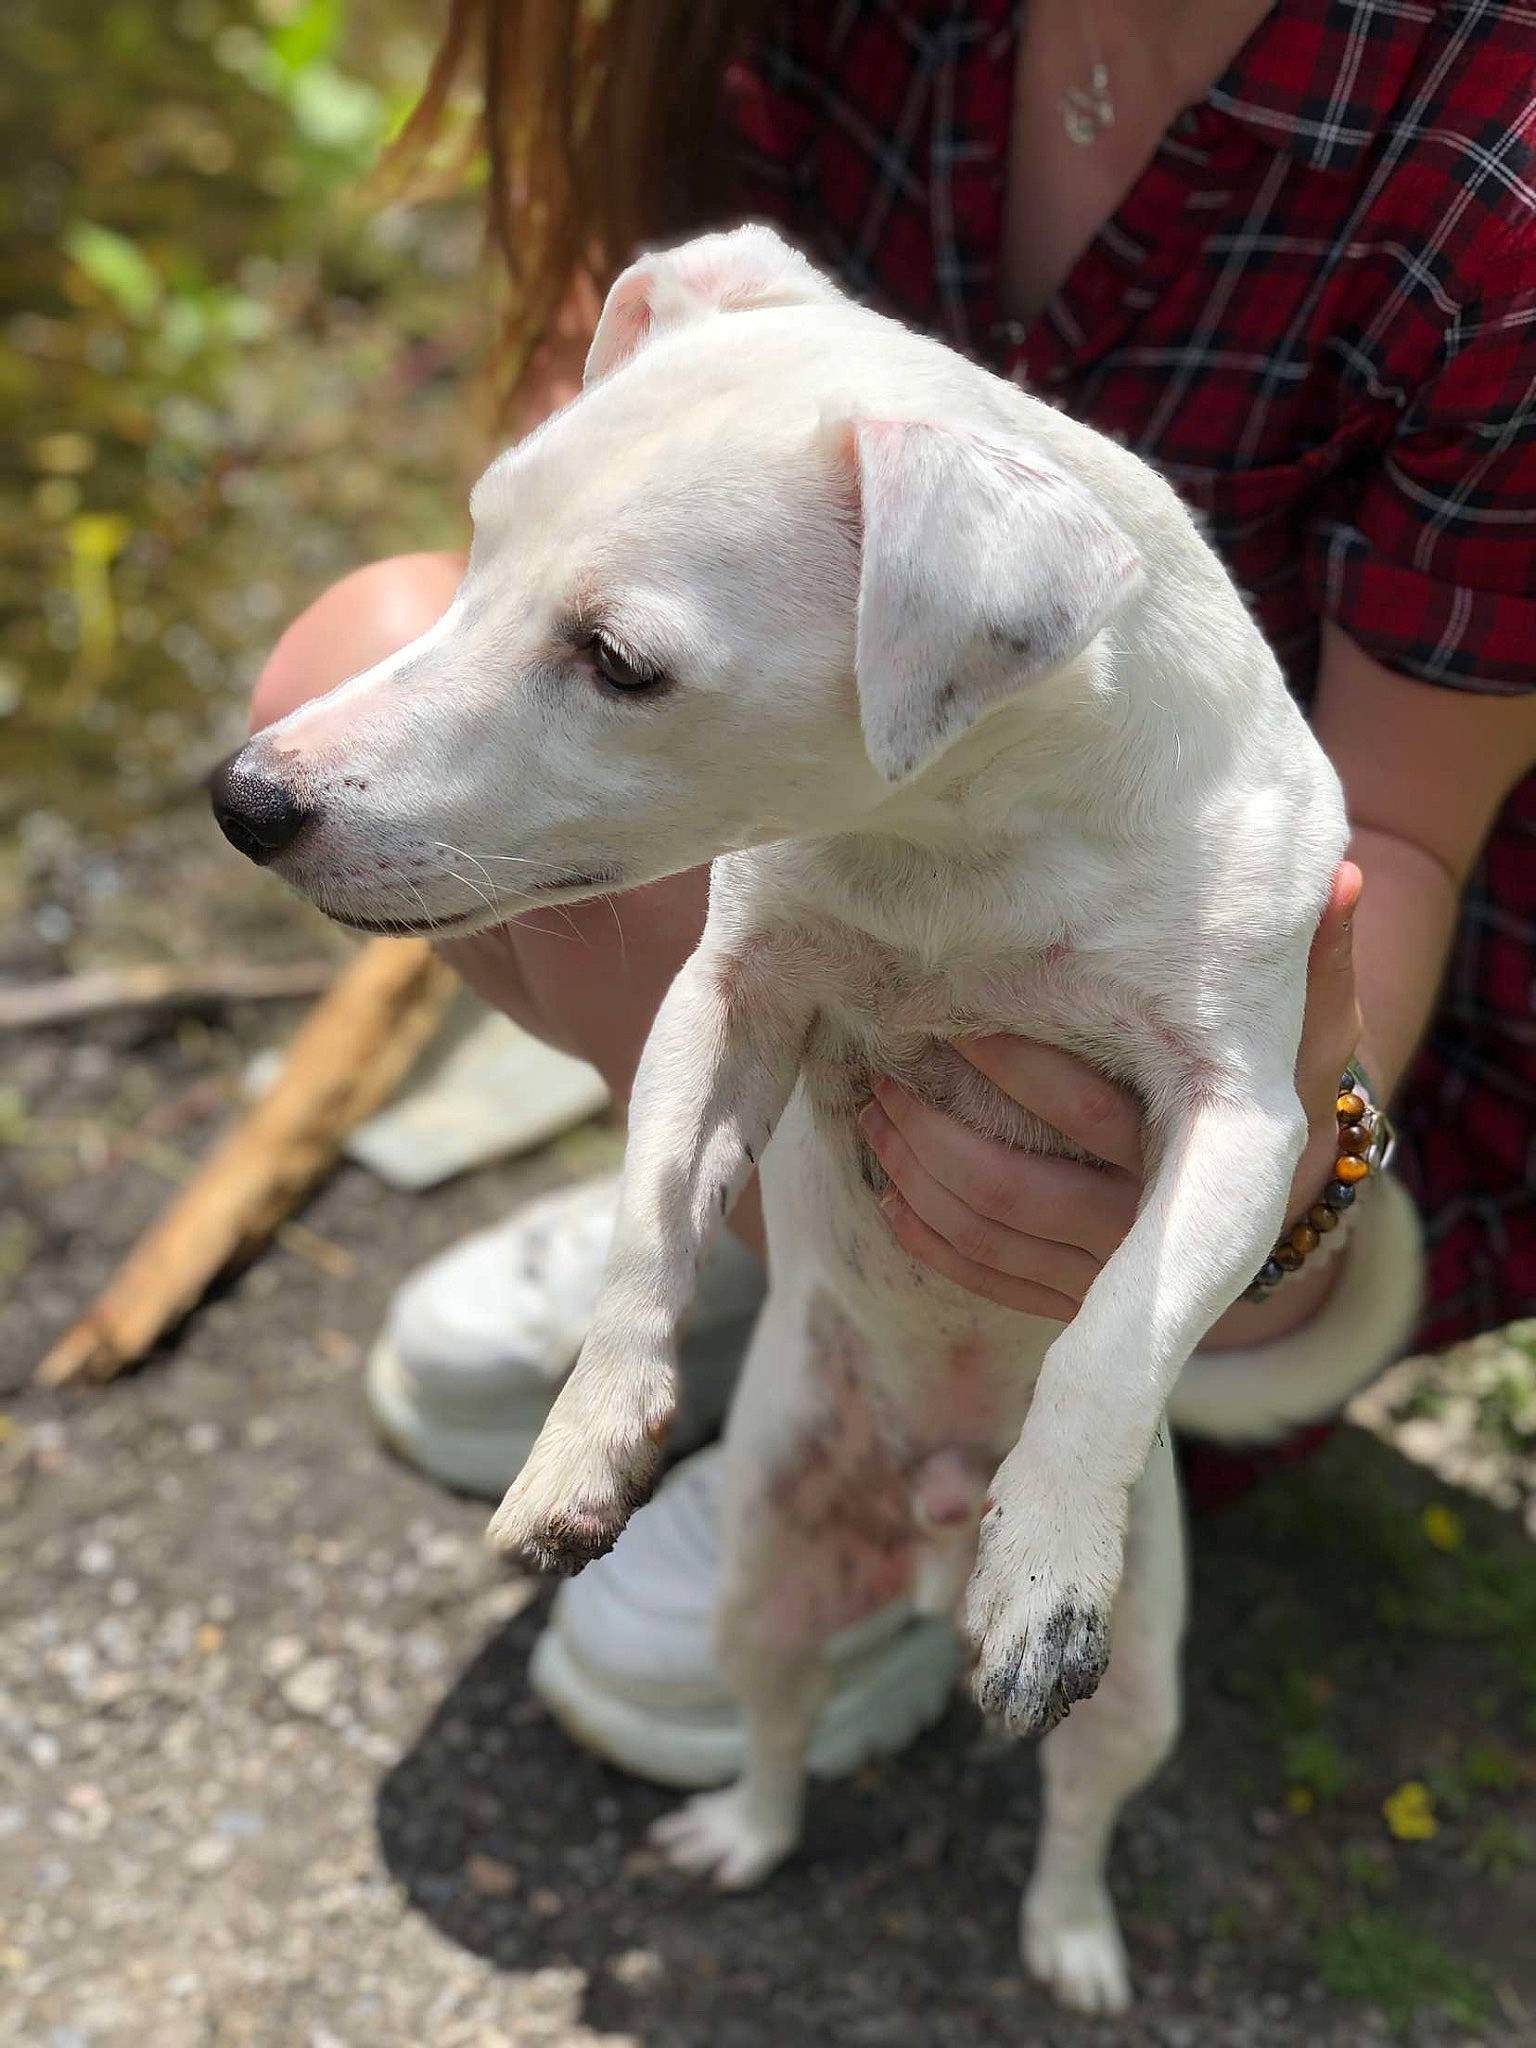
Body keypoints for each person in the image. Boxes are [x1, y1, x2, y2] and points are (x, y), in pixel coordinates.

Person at [252, 0, 1536, 1783]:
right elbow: (623, 429)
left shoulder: (1496, 177)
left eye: (617, 666)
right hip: (876, 868)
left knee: (1126, 1137)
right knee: (360, 658)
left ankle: (985, 1445)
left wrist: (1291, 1196)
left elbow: (1377, 842)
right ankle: (745, 1276)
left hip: (1326, 1013)